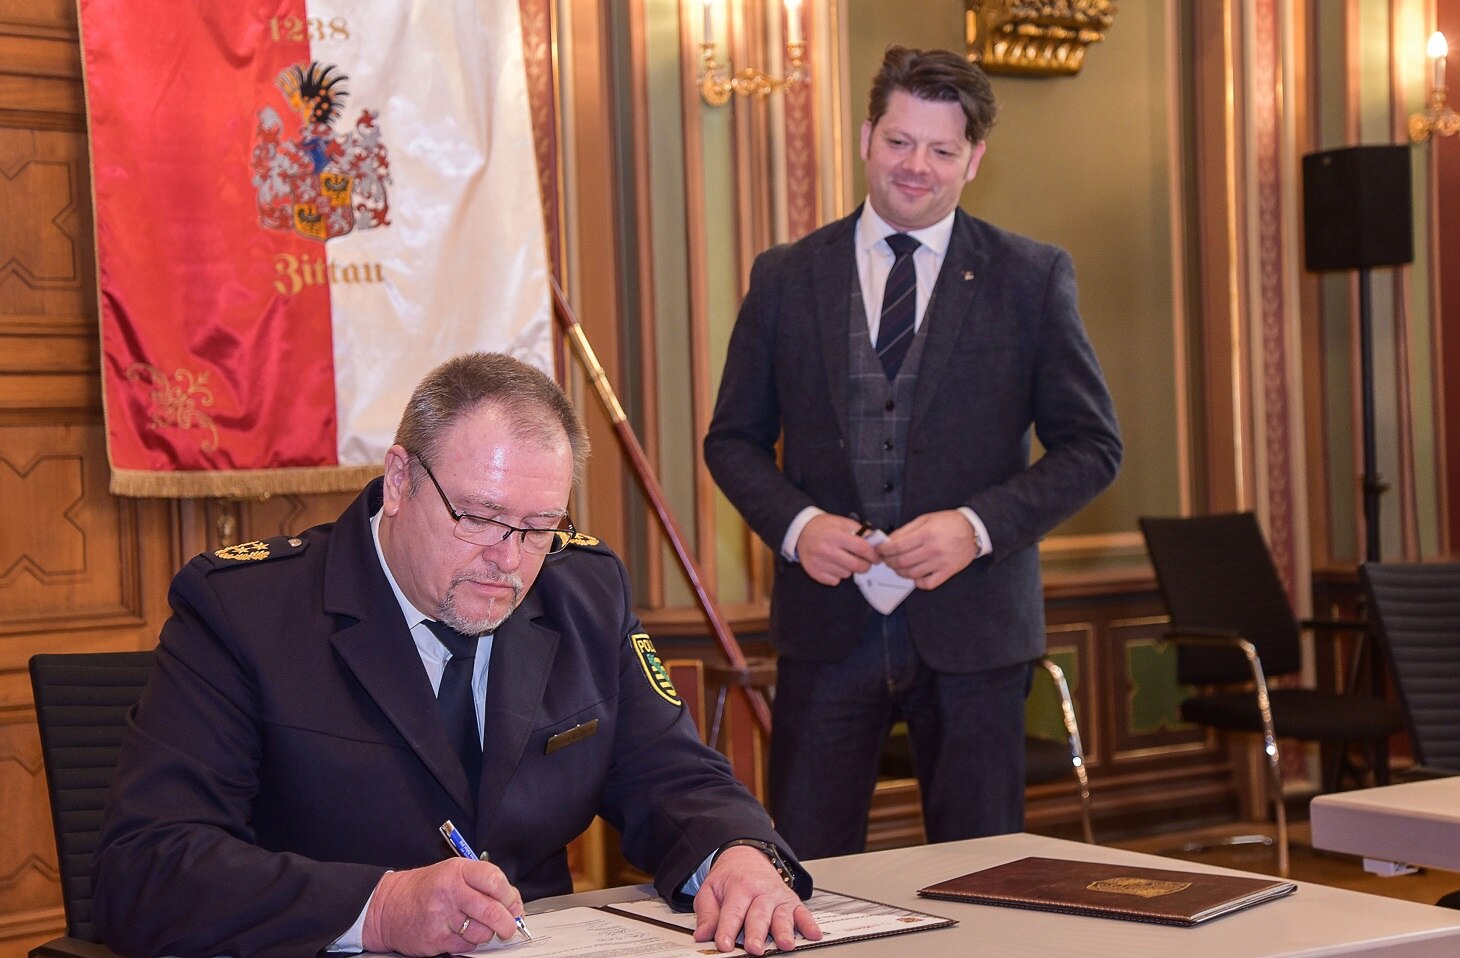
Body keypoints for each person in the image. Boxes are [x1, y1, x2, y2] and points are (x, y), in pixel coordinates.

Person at [94, 353, 820, 958]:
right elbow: (147, 865)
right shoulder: (246, 611)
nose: (507, 560)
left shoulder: (582, 591)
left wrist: (733, 855)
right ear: (401, 480)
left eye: (539, 526)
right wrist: (377, 909)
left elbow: (672, 772)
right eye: (479, 517)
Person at [703, 45, 1122, 859]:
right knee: (805, 876)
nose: (917, 167)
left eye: (942, 149)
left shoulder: (1031, 278)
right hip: (826, 634)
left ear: (975, 159)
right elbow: (732, 441)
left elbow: (1094, 446)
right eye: (900, 141)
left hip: (976, 636)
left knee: (985, 879)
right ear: (867, 137)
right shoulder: (786, 277)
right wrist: (798, 527)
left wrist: (977, 525)